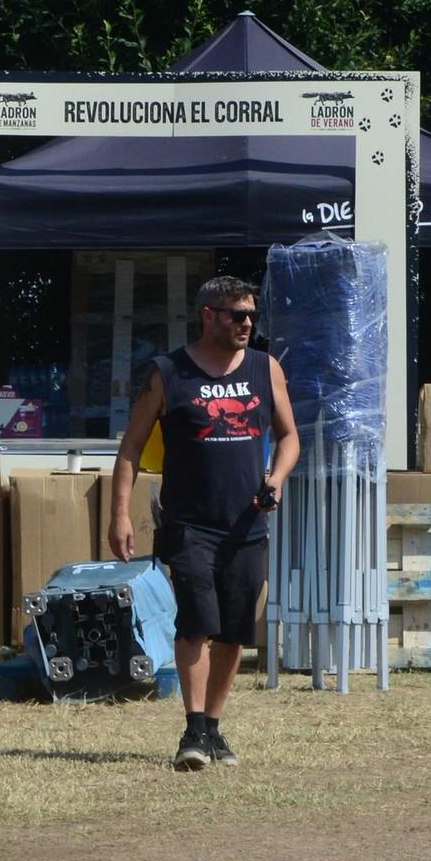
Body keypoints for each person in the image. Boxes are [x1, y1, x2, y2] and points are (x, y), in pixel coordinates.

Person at [110, 276, 298, 771]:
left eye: (252, 315)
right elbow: (131, 446)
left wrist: (275, 479)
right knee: (196, 621)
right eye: (238, 315)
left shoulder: (265, 368)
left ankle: (213, 727)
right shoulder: (168, 372)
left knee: (233, 631)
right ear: (209, 315)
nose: (247, 324)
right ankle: (192, 730)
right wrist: (120, 514)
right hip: (189, 523)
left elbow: (289, 437)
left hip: (245, 525)